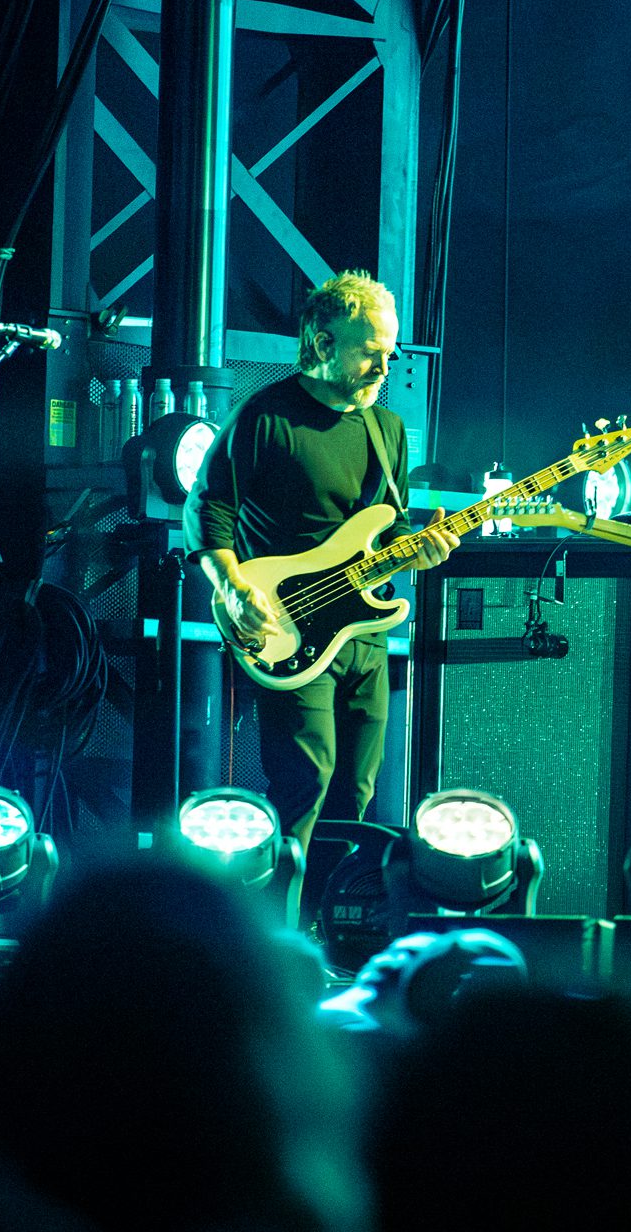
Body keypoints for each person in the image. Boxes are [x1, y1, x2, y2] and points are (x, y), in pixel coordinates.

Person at [186, 272, 456, 849]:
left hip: (364, 634)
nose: (385, 368)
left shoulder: (386, 429)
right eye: (370, 352)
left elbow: (390, 525)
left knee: (356, 795)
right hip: (287, 624)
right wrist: (232, 587)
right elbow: (208, 510)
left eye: (390, 353)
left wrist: (423, 547)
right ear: (324, 342)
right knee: (304, 783)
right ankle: (278, 931)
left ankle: (332, 927)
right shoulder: (266, 416)